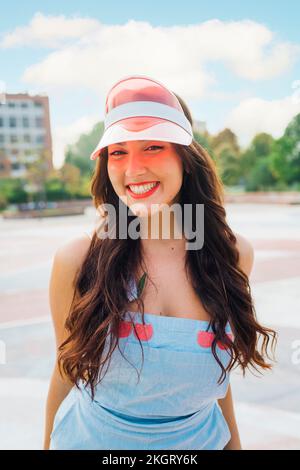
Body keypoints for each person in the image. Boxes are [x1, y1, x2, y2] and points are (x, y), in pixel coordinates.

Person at [44, 75, 277, 450]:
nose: (134, 169)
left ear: (187, 158)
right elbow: (65, 371)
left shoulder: (231, 256)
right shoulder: (78, 259)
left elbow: (216, 382)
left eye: (153, 147)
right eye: (118, 152)